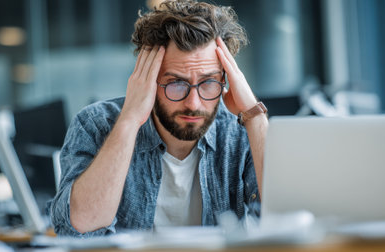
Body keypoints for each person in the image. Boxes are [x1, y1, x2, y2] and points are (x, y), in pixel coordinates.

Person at [49, 0, 268, 237]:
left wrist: (254, 117)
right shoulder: (95, 125)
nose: (193, 103)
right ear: (148, 80)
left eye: (208, 83)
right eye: (176, 84)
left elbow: (295, 221)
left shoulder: (239, 132)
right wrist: (130, 120)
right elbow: (78, 229)